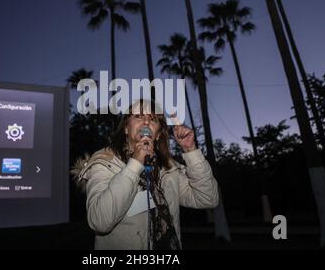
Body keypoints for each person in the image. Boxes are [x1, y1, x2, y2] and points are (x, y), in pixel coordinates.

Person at [73, 99, 219, 250]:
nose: (146, 121)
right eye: (138, 116)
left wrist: (190, 150)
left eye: (153, 119)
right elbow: (99, 221)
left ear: (157, 135)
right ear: (126, 128)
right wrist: (135, 164)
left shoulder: (168, 169)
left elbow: (208, 199)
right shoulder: (105, 162)